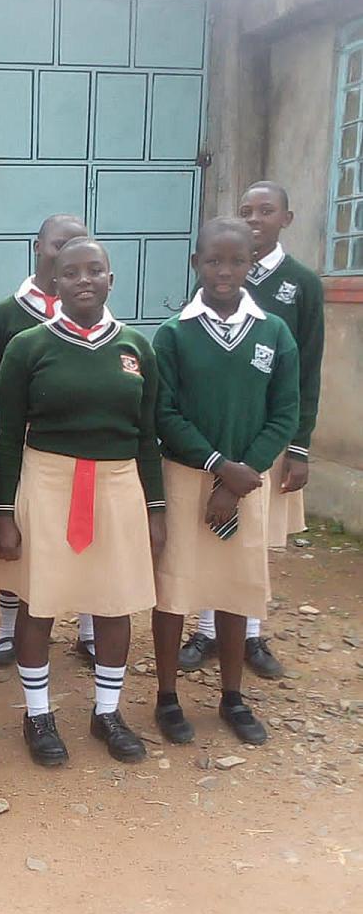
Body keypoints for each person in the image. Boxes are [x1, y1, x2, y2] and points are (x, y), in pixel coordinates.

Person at [0, 238, 164, 765]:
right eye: (71, 272)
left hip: (117, 486)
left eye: (95, 270)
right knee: (39, 603)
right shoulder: (28, 347)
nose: (84, 280)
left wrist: (156, 509)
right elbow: (7, 438)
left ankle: (107, 712)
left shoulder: (136, 348)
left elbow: (147, 436)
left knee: (114, 601)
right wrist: (2, 513)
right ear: (55, 282)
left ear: (112, 279)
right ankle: (38, 715)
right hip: (47, 483)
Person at [152, 217, 299, 747]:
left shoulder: (273, 332)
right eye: (213, 260)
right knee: (174, 588)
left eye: (236, 261)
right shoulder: (174, 334)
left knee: (236, 588)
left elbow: (284, 413)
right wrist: (217, 464)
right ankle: (167, 697)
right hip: (187, 477)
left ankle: (232, 696)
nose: (224, 271)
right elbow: (164, 412)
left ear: (250, 265)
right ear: (197, 263)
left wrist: (238, 478)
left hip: (246, 482)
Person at [180, 183, 324, 679]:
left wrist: (299, 445)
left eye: (267, 210)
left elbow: (307, 371)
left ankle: (251, 634)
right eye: (247, 210)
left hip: (265, 440)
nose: (256, 218)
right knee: (209, 531)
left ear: (287, 218)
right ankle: (206, 629)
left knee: (252, 538)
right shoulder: (211, 281)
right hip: (213, 442)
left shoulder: (300, 283)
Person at [0, 213, 88, 669]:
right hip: (24, 445)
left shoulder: (90, 310)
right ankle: (7, 629)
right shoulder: (5, 315)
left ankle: (88, 628)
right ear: (38, 246)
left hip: (82, 448)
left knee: (84, 530)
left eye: (79, 244)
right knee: (19, 532)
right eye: (59, 244)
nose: (68, 253)